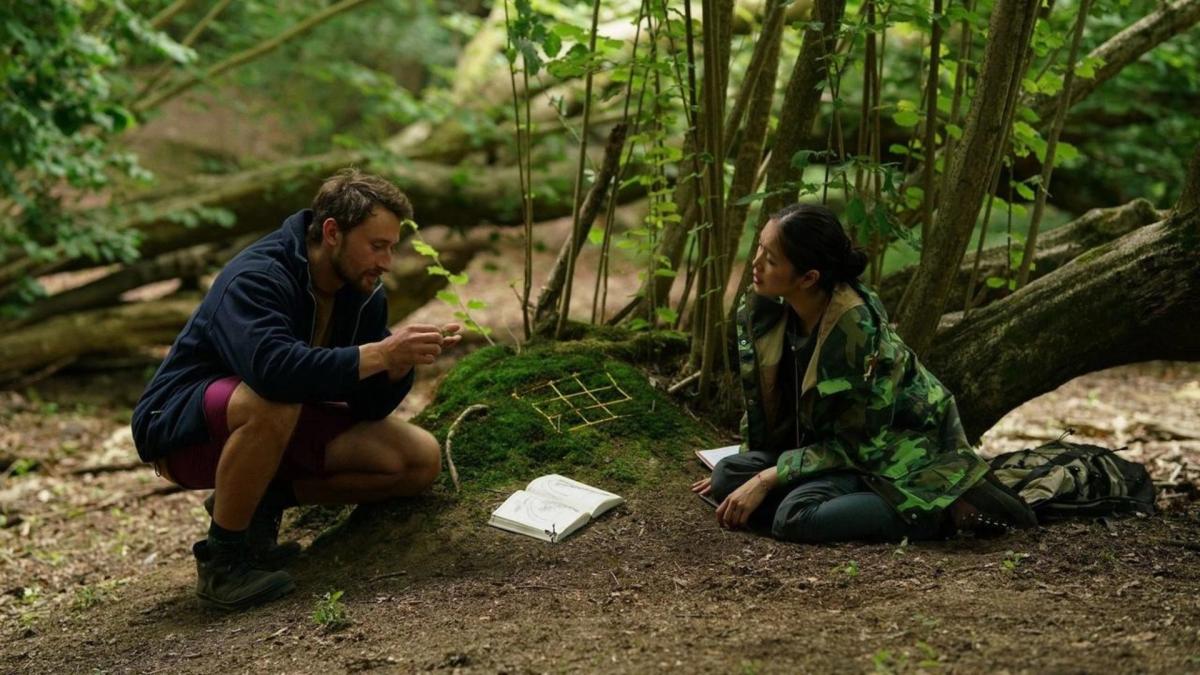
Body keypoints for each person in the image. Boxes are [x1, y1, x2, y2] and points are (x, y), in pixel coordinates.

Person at [131, 168, 460, 610]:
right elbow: (273, 373)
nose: (386, 262)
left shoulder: (364, 293)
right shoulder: (258, 275)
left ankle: (262, 501)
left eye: (391, 248)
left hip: (277, 422)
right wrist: (380, 354)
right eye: (376, 246)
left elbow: (368, 405)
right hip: (181, 429)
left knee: (418, 460)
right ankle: (223, 562)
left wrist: (399, 365)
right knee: (274, 399)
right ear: (331, 233)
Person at [691, 203, 1036, 543]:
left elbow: (858, 444)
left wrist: (767, 480)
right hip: (826, 449)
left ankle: (937, 514)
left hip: (892, 456)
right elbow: (770, 405)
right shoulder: (773, 311)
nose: (755, 264)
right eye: (759, 250)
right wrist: (748, 475)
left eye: (770, 259)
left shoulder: (855, 331)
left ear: (809, 278)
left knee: (793, 517)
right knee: (726, 477)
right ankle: (830, 504)